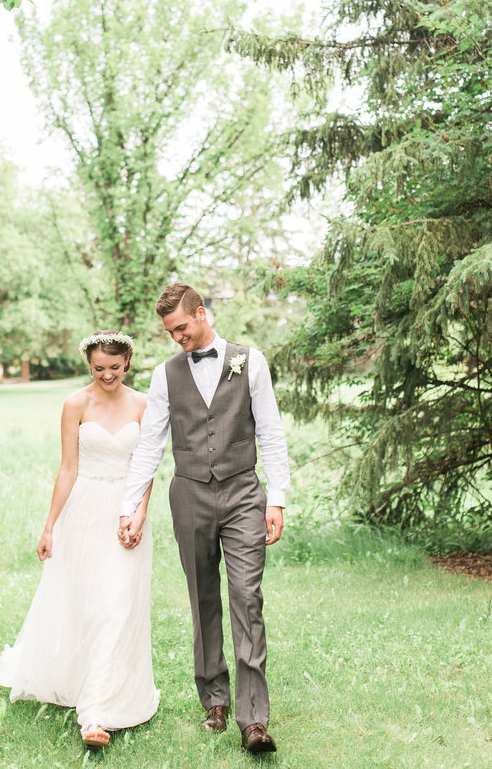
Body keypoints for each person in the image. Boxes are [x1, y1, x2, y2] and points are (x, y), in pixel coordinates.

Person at [118, 284, 289, 755]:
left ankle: (253, 719)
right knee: (202, 597)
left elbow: (271, 431)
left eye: (182, 328)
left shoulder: (250, 362)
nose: (177, 338)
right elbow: (149, 445)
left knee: (247, 596)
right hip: (189, 494)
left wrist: (277, 498)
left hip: (242, 494)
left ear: (202, 313)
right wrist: (130, 506)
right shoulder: (164, 375)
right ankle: (213, 697)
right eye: (170, 332)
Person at [0, 331, 160, 749]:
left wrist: (138, 513)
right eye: (99, 368)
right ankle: (80, 684)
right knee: (84, 604)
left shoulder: (143, 405)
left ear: (128, 363)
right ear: (89, 365)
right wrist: (49, 525)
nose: (107, 375)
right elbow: (67, 468)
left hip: (125, 510)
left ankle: (95, 715)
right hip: (83, 512)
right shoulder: (75, 404)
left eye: (115, 368)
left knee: (116, 605)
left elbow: (148, 467)